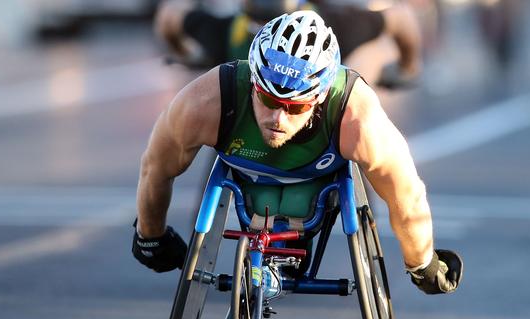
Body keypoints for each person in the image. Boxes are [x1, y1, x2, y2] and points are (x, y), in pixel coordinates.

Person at [133, 10, 462, 294]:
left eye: (296, 106)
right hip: (247, 179)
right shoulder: (204, 103)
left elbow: (407, 196)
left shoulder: (357, 118)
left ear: (319, 99)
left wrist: (421, 263)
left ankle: (290, 249)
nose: (278, 118)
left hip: (317, 186)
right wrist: (151, 235)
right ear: (253, 83)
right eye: (269, 100)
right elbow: (156, 168)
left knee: (373, 173)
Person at [154, 0, 423, 88]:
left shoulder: (226, 32)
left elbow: (169, 15)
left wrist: (189, 54)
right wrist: (406, 67)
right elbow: (402, 18)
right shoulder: (332, 28)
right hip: (321, 139)